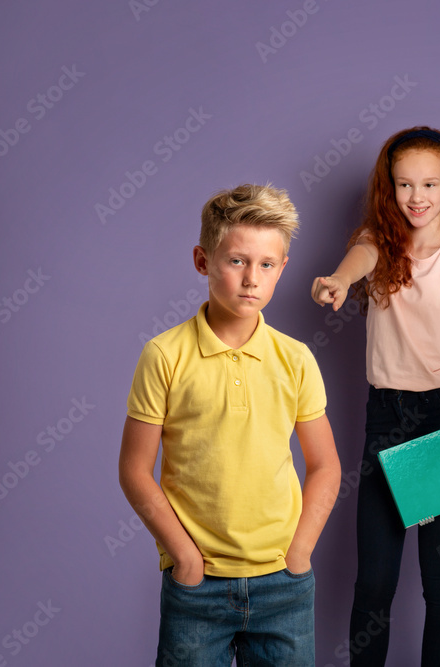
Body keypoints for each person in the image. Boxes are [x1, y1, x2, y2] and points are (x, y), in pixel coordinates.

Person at [119, 184, 341, 667]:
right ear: (203, 260)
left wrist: (299, 553)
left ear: (282, 268)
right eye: (236, 261)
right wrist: (186, 559)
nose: (251, 280)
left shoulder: (295, 359)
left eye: (266, 265)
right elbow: (135, 470)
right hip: (198, 590)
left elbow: (325, 465)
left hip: (284, 585)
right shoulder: (164, 355)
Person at [311, 126, 440, 666]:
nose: (416, 197)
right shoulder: (378, 242)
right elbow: (357, 262)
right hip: (384, 416)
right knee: (374, 583)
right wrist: (339, 282)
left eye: (429, 184)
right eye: (404, 185)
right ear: (389, 188)